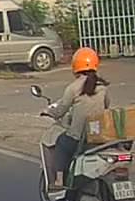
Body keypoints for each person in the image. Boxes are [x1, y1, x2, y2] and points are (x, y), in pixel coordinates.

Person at [43, 48, 110, 190]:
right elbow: (106, 105)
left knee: (61, 142)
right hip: (98, 136)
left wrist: (48, 112)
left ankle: (59, 181)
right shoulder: (102, 87)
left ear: (75, 66)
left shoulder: (73, 88)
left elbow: (61, 110)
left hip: (79, 138)